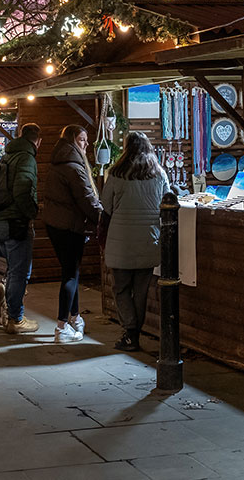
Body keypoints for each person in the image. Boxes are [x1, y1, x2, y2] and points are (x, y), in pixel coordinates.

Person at [100, 132, 172, 352]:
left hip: (121, 243)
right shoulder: (159, 174)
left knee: (121, 288)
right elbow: (168, 201)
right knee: (141, 291)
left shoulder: (117, 173)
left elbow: (106, 206)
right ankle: (134, 334)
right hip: (148, 240)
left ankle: (130, 331)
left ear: (126, 148)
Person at [44, 124, 102, 343]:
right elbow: (87, 198)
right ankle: (61, 326)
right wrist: (102, 220)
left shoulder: (58, 162)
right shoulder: (74, 167)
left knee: (71, 273)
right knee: (70, 274)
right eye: (81, 140)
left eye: (86, 140)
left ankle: (75, 318)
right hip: (70, 227)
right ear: (71, 140)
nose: (86, 144)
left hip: (56, 225)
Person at [0, 123, 42, 334]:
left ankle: (9, 314)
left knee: (12, 270)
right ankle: (15, 319)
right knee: (19, 273)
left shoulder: (7, 156)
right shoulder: (26, 158)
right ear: (38, 140)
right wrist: (33, 212)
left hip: (0, 221)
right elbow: (23, 190)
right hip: (16, 222)